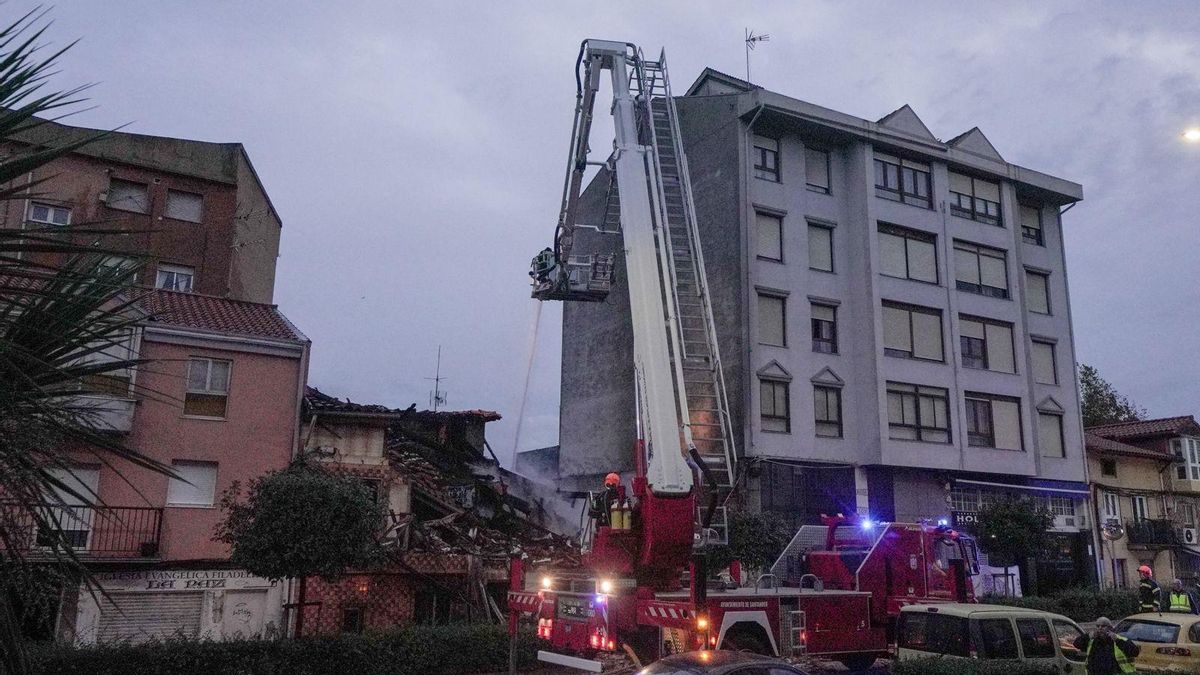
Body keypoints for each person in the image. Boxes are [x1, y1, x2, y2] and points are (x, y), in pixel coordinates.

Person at [1072, 616, 1139, 674]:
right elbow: (1076, 644)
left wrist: (1117, 640)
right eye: (1098, 626)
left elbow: (1135, 652)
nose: (1100, 628)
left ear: (1110, 628)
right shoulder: (1092, 641)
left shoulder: (1118, 640)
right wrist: (1088, 636)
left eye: (1103, 626)